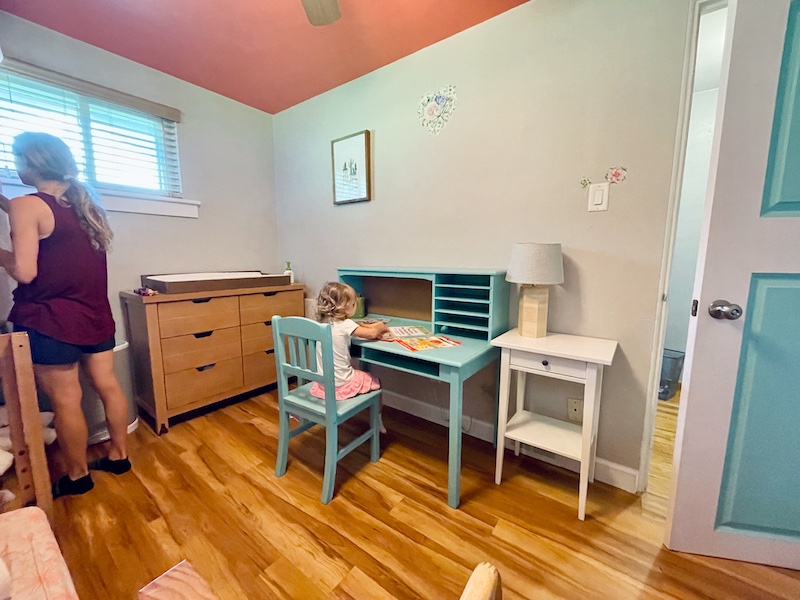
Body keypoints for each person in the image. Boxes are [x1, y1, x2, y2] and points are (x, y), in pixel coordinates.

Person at [0, 132, 131, 498]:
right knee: (108, 386)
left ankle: (77, 477)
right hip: (95, 315)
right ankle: (119, 457)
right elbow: (51, 229)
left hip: (50, 319)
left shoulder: (28, 205)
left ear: (30, 163)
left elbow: (26, 272)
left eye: (16, 158)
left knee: (66, 400)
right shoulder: (84, 206)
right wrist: (6, 205)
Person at [311, 282, 388, 431]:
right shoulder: (345, 324)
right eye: (353, 304)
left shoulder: (324, 323)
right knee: (377, 382)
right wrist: (380, 326)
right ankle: (378, 422)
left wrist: (367, 326)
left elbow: (359, 328)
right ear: (344, 306)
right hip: (341, 384)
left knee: (361, 373)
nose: (355, 307)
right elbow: (372, 333)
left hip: (323, 383)